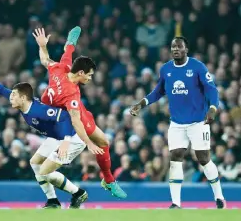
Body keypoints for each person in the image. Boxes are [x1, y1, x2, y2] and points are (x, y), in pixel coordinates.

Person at [0, 68, 88, 209]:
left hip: (73, 137)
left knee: (45, 172)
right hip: (56, 137)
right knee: (35, 163)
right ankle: (53, 201)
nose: (10, 97)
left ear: (23, 98)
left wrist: (65, 141)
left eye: (14, 95)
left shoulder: (38, 111)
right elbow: (1, 89)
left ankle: (78, 193)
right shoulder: (24, 104)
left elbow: (64, 116)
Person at [129, 37, 226, 209]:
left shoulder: (197, 67)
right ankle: (176, 203)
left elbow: (212, 89)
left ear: (186, 49)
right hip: (177, 123)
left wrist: (212, 108)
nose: (175, 49)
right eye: (173, 46)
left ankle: (219, 197)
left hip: (198, 122)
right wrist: (141, 104)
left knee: (203, 158)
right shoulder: (166, 69)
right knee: (175, 157)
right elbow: (157, 91)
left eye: (179, 46)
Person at [34, 27, 127, 199]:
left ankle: (108, 180)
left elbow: (45, 59)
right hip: (70, 120)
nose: (90, 79)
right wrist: (89, 144)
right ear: (81, 73)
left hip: (65, 115)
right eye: (89, 75)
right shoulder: (72, 95)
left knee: (104, 142)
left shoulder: (60, 68)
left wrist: (44, 46)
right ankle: (80, 191)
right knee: (100, 143)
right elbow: (76, 122)